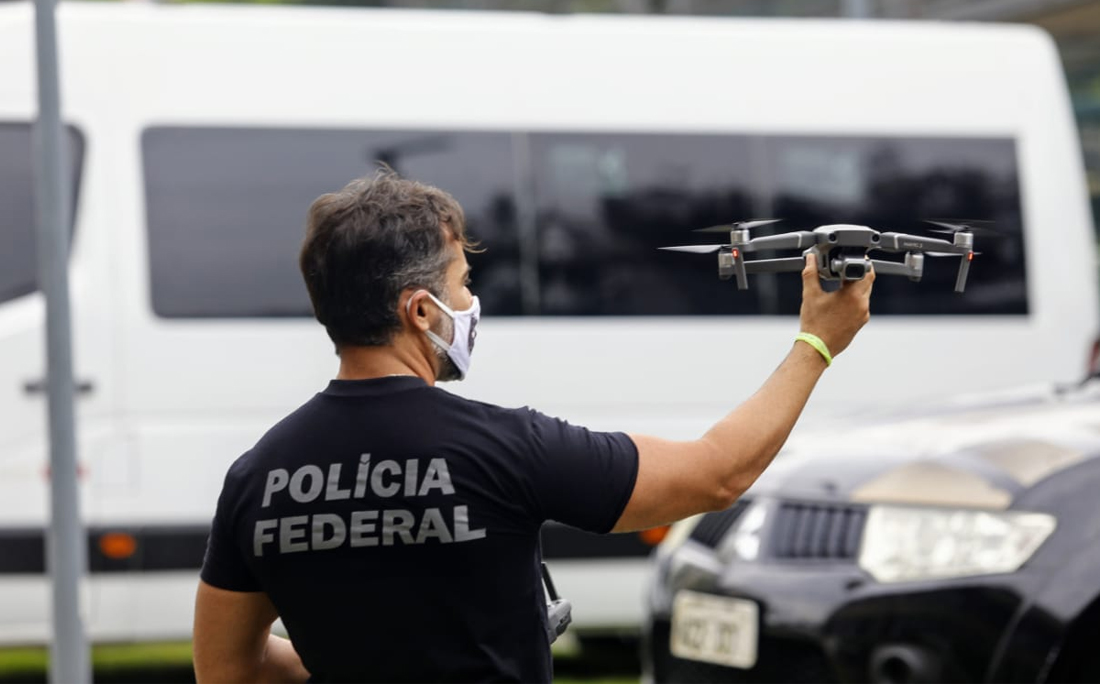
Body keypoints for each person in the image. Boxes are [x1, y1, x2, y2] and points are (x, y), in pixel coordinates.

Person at [192, 170, 873, 683]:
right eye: (460, 284)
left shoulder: (258, 477)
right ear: (421, 312)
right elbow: (719, 472)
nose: (471, 302)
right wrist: (817, 344)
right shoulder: (503, 448)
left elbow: (225, 670)